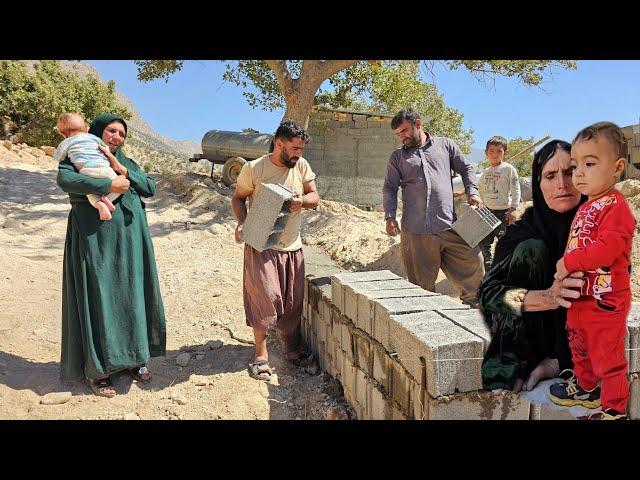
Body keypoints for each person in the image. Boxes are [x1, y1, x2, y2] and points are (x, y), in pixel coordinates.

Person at [56, 113, 166, 398]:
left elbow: (150, 187)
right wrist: (108, 185)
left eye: (121, 133)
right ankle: (100, 370)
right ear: (96, 132)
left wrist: (121, 170)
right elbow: (65, 180)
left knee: (131, 297)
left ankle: (134, 359)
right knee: (100, 297)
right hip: (95, 241)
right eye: (111, 131)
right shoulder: (76, 156)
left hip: (131, 243)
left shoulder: (127, 163)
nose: (116, 136)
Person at [479, 139, 587, 393]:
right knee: (532, 250)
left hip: (577, 345)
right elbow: (490, 294)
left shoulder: (601, 230)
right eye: (550, 175)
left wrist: (560, 361)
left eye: (570, 172)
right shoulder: (518, 235)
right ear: (539, 185)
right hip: (528, 336)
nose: (562, 184)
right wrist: (543, 298)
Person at [548, 122, 634, 420]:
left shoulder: (617, 208)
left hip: (605, 299)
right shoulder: (586, 207)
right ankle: (586, 387)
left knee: (607, 356)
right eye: (575, 165)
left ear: (617, 167)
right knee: (579, 344)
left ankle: (614, 408)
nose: (579, 173)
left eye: (590, 163)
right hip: (581, 297)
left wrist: (568, 263)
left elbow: (606, 249)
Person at [232, 119, 319, 382]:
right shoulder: (254, 169)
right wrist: (243, 222)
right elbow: (238, 197)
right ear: (279, 143)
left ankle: (291, 348)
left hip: (292, 245)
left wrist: (300, 202)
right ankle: (260, 355)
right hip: (261, 242)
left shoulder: (301, 166)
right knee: (265, 298)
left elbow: (315, 197)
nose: (298, 154)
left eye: (301, 149)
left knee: (292, 302)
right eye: (294, 148)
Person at [383, 108, 485, 307]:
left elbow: (466, 168)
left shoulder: (445, 145)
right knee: (421, 290)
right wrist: (389, 216)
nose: (401, 137)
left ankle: (476, 320)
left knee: (474, 267)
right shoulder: (397, 158)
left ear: (418, 124)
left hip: (450, 225)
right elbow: (390, 187)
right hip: (416, 233)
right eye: (398, 134)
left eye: (404, 131)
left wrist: (472, 191)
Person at [54, 113, 120, 221]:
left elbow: (59, 156)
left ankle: (99, 204)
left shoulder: (67, 142)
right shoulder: (94, 138)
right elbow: (105, 149)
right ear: (86, 128)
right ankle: (107, 199)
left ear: (63, 133)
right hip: (105, 169)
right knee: (120, 187)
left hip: (86, 171)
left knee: (90, 193)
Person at [478, 135, 521, 270]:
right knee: (484, 241)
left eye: (499, 151)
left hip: (504, 212)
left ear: (505, 153)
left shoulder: (508, 169)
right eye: (491, 151)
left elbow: (516, 189)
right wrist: (480, 204)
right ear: (486, 153)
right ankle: (489, 266)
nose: (495, 154)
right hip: (487, 212)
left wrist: (513, 208)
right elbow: (481, 189)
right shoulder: (485, 172)